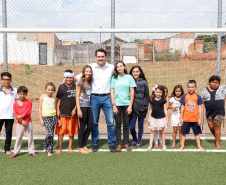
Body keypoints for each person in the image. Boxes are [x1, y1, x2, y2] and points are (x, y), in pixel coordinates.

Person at [76, 48, 116, 152]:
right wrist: (65, 80)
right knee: (94, 122)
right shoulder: (91, 67)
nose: (100, 58)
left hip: (107, 96)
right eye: (99, 56)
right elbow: (79, 76)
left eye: (102, 56)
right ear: (96, 57)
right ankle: (95, 143)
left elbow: (120, 73)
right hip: (94, 98)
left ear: (105, 57)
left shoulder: (111, 67)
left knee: (110, 122)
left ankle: (111, 143)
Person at [110, 61, 136, 152]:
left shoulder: (129, 77)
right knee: (117, 125)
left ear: (124, 67)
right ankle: (119, 144)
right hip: (117, 104)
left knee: (126, 124)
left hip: (126, 104)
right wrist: (114, 105)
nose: (119, 68)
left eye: (121, 66)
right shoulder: (114, 78)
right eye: (118, 67)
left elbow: (132, 92)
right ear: (116, 69)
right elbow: (112, 92)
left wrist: (130, 106)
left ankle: (126, 143)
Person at [10, 86, 37, 158]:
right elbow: (16, 114)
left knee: (30, 136)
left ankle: (31, 151)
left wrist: (21, 117)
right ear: (18, 94)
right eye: (20, 94)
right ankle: (16, 151)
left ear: (26, 94)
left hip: (28, 122)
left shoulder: (29, 102)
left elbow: (28, 112)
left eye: (24, 94)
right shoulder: (15, 103)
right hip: (20, 123)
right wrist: (21, 120)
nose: (22, 96)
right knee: (18, 137)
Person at [55, 69, 78, 154]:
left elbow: (78, 99)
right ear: (64, 78)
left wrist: (75, 109)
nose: (69, 79)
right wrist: (57, 110)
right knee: (61, 131)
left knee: (71, 131)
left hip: (72, 114)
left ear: (73, 78)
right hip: (62, 113)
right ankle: (59, 148)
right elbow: (59, 100)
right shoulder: (61, 87)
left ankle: (70, 147)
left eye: (71, 77)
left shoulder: (76, 87)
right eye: (67, 77)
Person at [179, 80, 205, 151]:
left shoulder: (198, 96)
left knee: (196, 133)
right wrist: (181, 118)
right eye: (189, 87)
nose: (190, 88)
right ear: (187, 87)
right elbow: (182, 107)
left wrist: (200, 119)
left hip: (195, 119)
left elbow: (200, 108)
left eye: (192, 87)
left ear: (195, 87)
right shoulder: (184, 96)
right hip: (186, 118)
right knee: (184, 133)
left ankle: (198, 145)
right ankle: (182, 145)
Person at [201, 75, 226, 149]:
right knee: (211, 127)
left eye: (217, 82)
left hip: (219, 112)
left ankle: (217, 143)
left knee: (217, 126)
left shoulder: (222, 88)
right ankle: (216, 139)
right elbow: (202, 99)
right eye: (213, 82)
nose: (215, 84)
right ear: (209, 83)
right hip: (209, 113)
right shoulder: (205, 90)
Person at [129, 65, 150, 149]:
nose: (135, 73)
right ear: (131, 73)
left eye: (137, 71)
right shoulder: (129, 82)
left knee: (140, 125)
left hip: (141, 108)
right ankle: (134, 140)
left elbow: (147, 96)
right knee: (132, 127)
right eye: (133, 72)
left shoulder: (144, 82)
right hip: (132, 108)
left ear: (140, 72)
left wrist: (144, 107)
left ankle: (138, 142)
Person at [76, 65, 94, 154]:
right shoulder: (80, 82)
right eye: (86, 71)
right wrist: (78, 109)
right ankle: (80, 147)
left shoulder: (90, 82)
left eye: (90, 71)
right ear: (83, 72)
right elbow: (77, 96)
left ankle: (84, 145)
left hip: (89, 106)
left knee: (91, 125)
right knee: (82, 126)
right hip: (82, 106)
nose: (88, 73)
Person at [0, 72, 18, 155]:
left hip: (10, 115)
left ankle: (7, 149)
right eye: (4, 79)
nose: (6, 81)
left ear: (10, 80)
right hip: (0, 115)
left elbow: (19, 101)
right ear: (1, 80)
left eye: (8, 79)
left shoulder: (14, 90)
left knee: (9, 133)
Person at [147, 85, 169, 151]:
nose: (158, 94)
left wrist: (167, 119)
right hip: (153, 118)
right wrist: (148, 118)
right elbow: (150, 109)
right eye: (157, 92)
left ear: (162, 93)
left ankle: (163, 145)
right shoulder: (151, 100)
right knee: (152, 131)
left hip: (161, 118)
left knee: (162, 132)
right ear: (154, 92)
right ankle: (150, 145)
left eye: (160, 92)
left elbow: (165, 110)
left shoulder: (163, 100)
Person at [38, 82, 57, 157]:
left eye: (52, 90)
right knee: (50, 133)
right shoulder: (42, 97)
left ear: (54, 91)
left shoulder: (54, 98)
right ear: (45, 89)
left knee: (51, 133)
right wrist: (40, 119)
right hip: (45, 117)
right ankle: (49, 150)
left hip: (53, 116)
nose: (50, 91)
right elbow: (39, 108)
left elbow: (55, 108)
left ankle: (46, 145)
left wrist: (57, 119)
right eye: (48, 90)